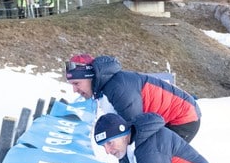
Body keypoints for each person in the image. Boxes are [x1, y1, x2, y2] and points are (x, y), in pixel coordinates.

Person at [66, 54, 202, 142]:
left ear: (90, 78)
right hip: (170, 116)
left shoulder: (117, 88)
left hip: (183, 117)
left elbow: (135, 135)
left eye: (77, 84)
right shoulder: (108, 86)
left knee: (159, 158)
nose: (74, 90)